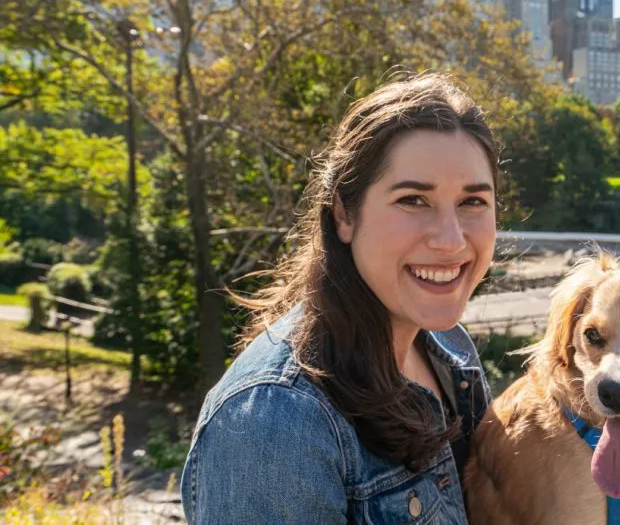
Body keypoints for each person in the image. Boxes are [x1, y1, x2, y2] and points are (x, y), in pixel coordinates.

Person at [181, 74, 498, 523]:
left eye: (472, 203)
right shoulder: (275, 424)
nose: (451, 240)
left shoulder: (451, 351)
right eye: (413, 200)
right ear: (344, 215)